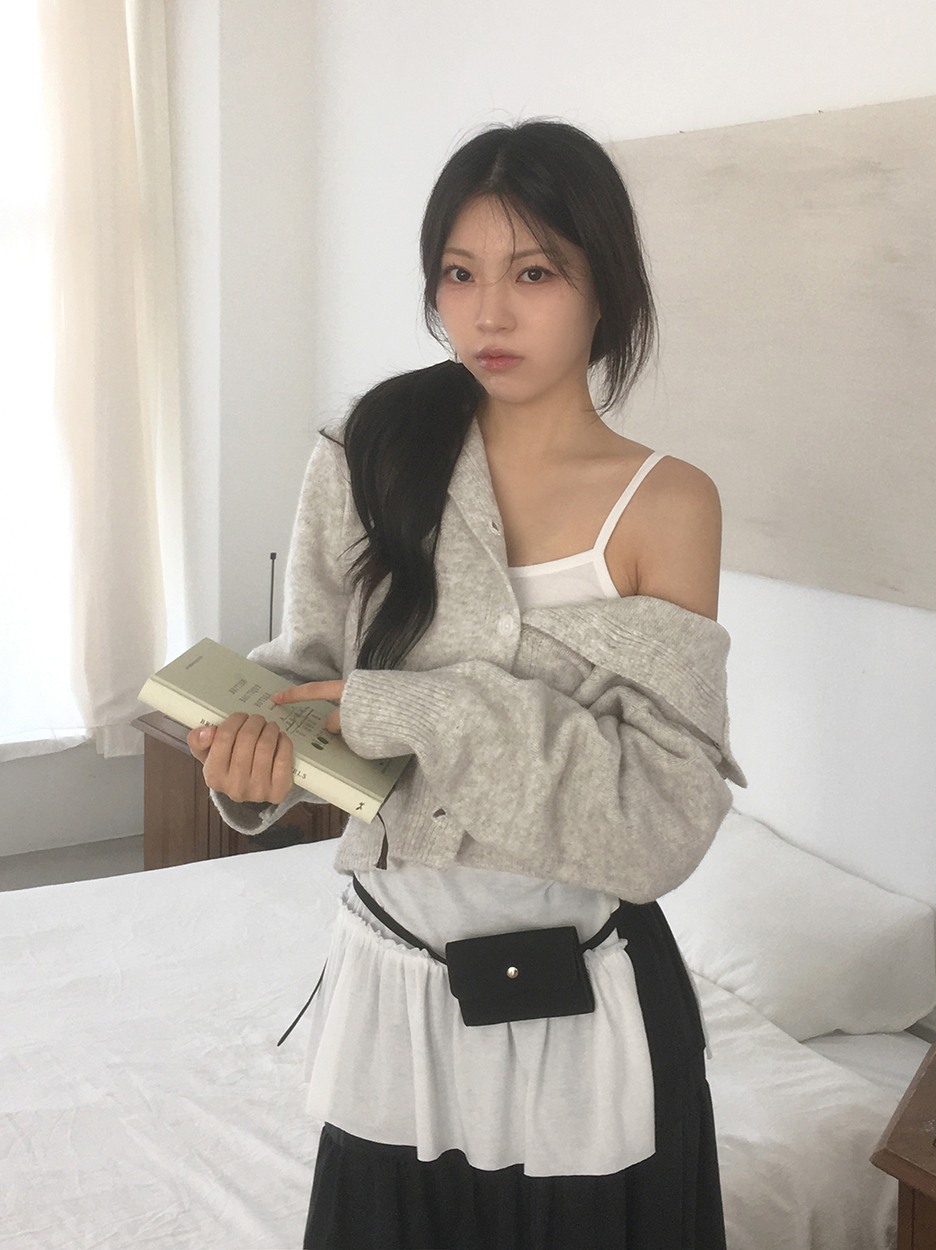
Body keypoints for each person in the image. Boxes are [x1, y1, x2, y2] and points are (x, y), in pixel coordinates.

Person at [188, 117, 747, 1250]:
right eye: (459, 273)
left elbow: (658, 820)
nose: (488, 313)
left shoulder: (665, 503)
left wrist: (414, 709)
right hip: (390, 985)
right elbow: (310, 674)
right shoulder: (370, 450)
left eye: (534, 273)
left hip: (581, 1004)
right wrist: (253, 765)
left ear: (604, 287)